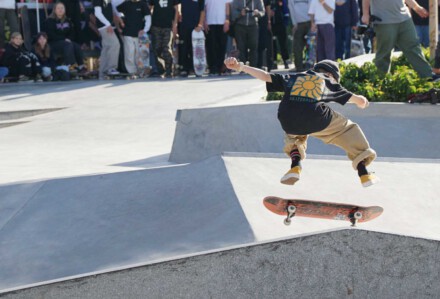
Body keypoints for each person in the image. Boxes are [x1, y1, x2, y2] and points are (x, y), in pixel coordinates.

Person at [224, 56, 379, 187]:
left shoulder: (294, 76)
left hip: (287, 117)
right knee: (348, 130)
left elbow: (265, 75)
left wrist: (240, 66)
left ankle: (295, 166)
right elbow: (352, 97)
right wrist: (362, 101)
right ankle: (363, 173)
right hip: (315, 117)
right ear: (331, 75)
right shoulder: (327, 79)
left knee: (295, 136)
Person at [362, 0, 440, 80]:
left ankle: (428, 75)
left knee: (414, 47)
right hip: (384, 20)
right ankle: (381, 81)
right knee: (384, 52)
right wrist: (365, 14)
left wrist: (416, 7)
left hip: (405, 18)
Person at [45, 2, 87, 74]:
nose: (60, 10)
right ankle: (70, 65)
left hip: (65, 42)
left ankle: (81, 66)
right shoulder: (50, 21)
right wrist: (64, 39)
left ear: (65, 10)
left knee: (76, 45)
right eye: (58, 8)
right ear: (54, 10)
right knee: (68, 45)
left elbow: (72, 33)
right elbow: (51, 35)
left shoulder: (68, 20)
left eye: (62, 8)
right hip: (53, 43)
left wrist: (69, 39)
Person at [116, 0, 151, 76]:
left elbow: (148, 18)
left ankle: (142, 72)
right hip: (128, 33)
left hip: (141, 35)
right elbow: (117, 11)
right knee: (129, 54)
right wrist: (121, 21)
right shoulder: (126, 3)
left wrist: (145, 30)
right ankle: (132, 72)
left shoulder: (143, 4)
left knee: (142, 54)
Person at [149, 0, 179, 78]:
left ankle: (169, 70)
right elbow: (150, 8)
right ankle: (161, 68)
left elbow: (176, 9)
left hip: (168, 26)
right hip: (156, 25)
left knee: (166, 48)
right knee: (156, 48)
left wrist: (175, 24)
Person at [231, 0, 265, 67]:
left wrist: (257, 13)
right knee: (241, 47)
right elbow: (233, 12)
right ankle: (242, 67)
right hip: (240, 26)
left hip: (253, 26)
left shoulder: (258, 1)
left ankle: (253, 67)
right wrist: (240, 13)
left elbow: (262, 11)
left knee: (254, 46)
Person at [93, 0, 122, 78]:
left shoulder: (109, 1)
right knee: (115, 44)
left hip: (108, 25)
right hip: (104, 26)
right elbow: (97, 13)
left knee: (106, 48)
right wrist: (108, 24)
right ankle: (111, 68)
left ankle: (102, 72)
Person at [178, 0, 205, 77]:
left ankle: (197, 69)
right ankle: (185, 69)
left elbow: (202, 10)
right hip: (184, 26)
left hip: (195, 26)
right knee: (184, 48)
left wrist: (200, 24)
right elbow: (177, 6)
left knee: (196, 49)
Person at [205, 0, 230, 76]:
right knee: (210, 46)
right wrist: (204, 21)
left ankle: (220, 68)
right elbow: (204, 7)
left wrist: (227, 20)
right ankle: (212, 68)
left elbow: (227, 6)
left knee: (222, 46)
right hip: (210, 22)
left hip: (222, 23)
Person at [287, 0, 311, 72]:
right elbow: (291, 8)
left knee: (309, 46)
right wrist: (294, 23)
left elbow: (312, 6)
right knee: (297, 46)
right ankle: (299, 66)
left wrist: (313, 22)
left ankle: (309, 66)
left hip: (309, 22)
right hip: (298, 24)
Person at [270, 0, 290, 69]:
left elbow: (286, 11)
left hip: (281, 25)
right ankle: (274, 62)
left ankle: (286, 61)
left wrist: (285, 23)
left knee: (283, 44)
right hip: (272, 25)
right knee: (273, 44)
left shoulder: (282, 1)